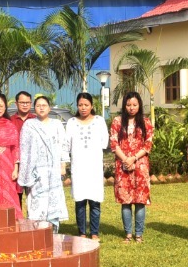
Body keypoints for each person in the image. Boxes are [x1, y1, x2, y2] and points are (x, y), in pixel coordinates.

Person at [18, 95, 68, 231]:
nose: (41, 108)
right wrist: (26, 171)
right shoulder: (29, 125)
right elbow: (24, 148)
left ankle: (53, 232)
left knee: (53, 202)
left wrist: (63, 165)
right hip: (36, 173)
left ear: (49, 108)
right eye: (38, 105)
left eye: (44, 105)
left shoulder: (57, 124)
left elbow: (63, 145)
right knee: (37, 202)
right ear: (34, 108)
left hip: (53, 172)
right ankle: (36, 233)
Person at [109, 92, 153, 243]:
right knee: (125, 201)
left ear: (139, 105)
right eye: (128, 105)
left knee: (140, 201)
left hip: (140, 166)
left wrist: (134, 158)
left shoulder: (146, 122)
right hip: (123, 165)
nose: (131, 108)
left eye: (134, 105)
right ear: (124, 105)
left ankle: (139, 234)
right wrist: (125, 159)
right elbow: (114, 143)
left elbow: (148, 144)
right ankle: (128, 234)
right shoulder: (117, 121)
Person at [64, 94, 108, 240]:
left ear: (92, 106)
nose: (83, 108)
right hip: (78, 167)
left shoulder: (99, 121)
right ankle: (82, 232)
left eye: (86, 105)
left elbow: (104, 142)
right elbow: (67, 144)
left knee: (95, 201)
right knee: (80, 200)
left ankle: (94, 232)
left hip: (94, 166)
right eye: (80, 105)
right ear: (77, 106)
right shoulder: (71, 122)